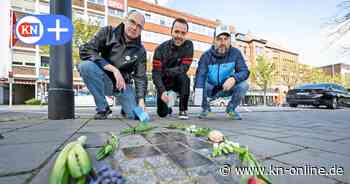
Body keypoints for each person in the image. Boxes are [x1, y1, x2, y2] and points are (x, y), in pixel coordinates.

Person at [78, 10, 147, 120]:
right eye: (132, 22)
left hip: (123, 86)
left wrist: (141, 100)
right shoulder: (108, 32)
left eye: (139, 26)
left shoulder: (141, 51)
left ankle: (126, 108)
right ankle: (103, 108)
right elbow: (86, 50)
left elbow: (141, 77)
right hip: (104, 79)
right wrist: (113, 69)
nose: (134, 28)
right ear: (125, 21)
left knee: (139, 116)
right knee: (85, 66)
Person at [194, 26, 249, 120]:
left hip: (227, 87)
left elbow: (244, 71)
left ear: (230, 40)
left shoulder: (236, 53)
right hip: (211, 88)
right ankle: (206, 109)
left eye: (226, 39)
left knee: (244, 85)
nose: (223, 42)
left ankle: (231, 109)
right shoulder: (206, 56)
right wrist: (198, 98)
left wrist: (233, 78)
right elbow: (200, 76)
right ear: (214, 41)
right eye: (219, 39)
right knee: (198, 83)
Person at [152, 18, 194, 120]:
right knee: (162, 114)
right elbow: (156, 73)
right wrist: (162, 91)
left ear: (186, 34)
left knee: (185, 78)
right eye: (176, 32)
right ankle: (168, 106)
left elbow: (184, 68)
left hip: (177, 81)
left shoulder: (189, 45)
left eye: (183, 33)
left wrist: (166, 71)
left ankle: (183, 109)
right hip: (164, 83)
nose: (179, 36)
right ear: (171, 31)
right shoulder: (160, 49)